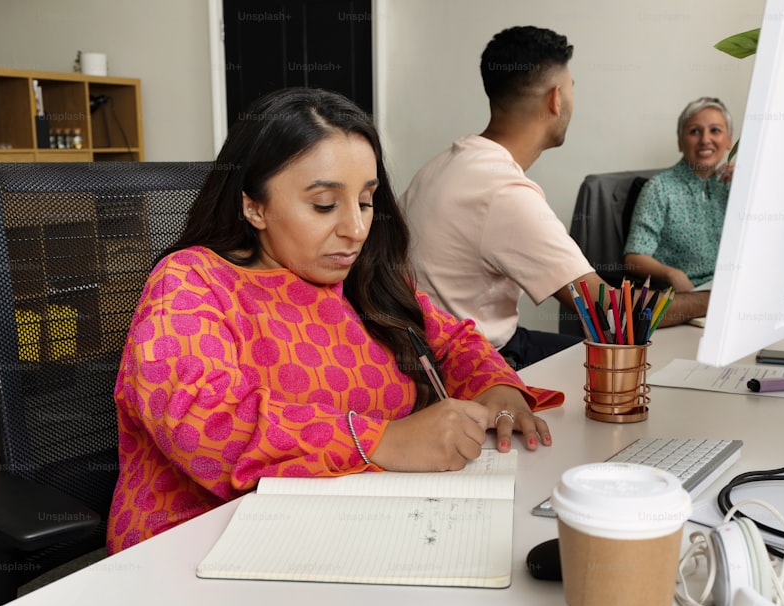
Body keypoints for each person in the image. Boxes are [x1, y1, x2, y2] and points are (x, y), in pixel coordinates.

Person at [107, 87, 564, 554]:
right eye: (325, 205)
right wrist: (383, 441)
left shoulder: (363, 281)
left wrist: (498, 388)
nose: (355, 229)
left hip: (344, 529)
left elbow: (453, 342)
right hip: (200, 548)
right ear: (254, 206)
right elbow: (203, 422)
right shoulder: (192, 281)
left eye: (365, 202)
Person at [401, 26, 708, 370]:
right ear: (556, 98)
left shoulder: (441, 165)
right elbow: (611, 312)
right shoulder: (504, 193)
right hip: (475, 366)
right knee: (632, 367)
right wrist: (707, 302)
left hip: (432, 353)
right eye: (572, 90)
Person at [623, 97, 734, 292]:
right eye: (694, 132)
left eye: (715, 130)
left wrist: (751, 182)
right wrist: (672, 274)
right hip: (684, 299)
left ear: (729, 141)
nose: (705, 140)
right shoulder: (659, 188)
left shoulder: (736, 185)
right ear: (680, 142)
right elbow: (634, 257)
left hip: (731, 292)